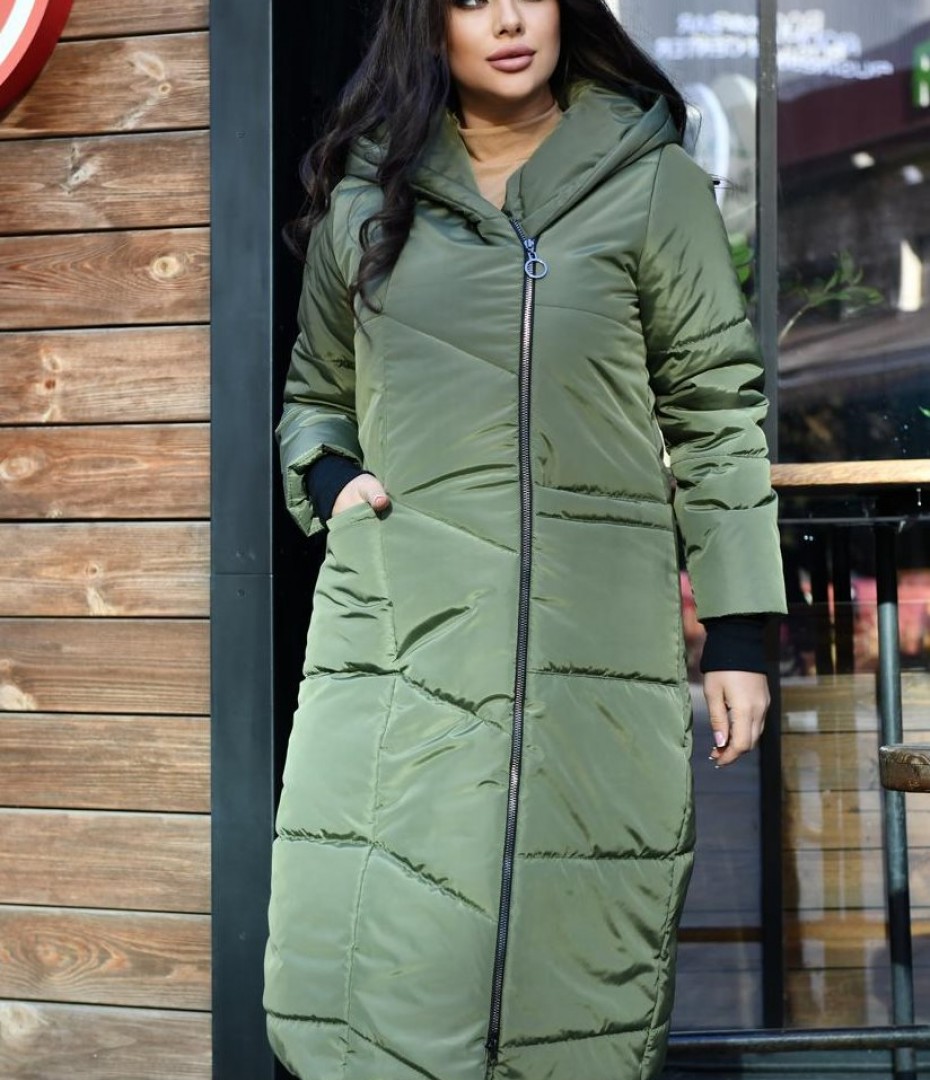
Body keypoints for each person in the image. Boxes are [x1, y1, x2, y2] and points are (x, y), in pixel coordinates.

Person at [264, 1, 787, 1078]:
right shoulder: (369, 198)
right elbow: (316, 394)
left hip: (594, 647)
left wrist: (739, 630)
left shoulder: (651, 185)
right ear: (428, 24)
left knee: (574, 956)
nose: (507, 18)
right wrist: (330, 481)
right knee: (394, 961)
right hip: (406, 634)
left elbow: (716, 414)